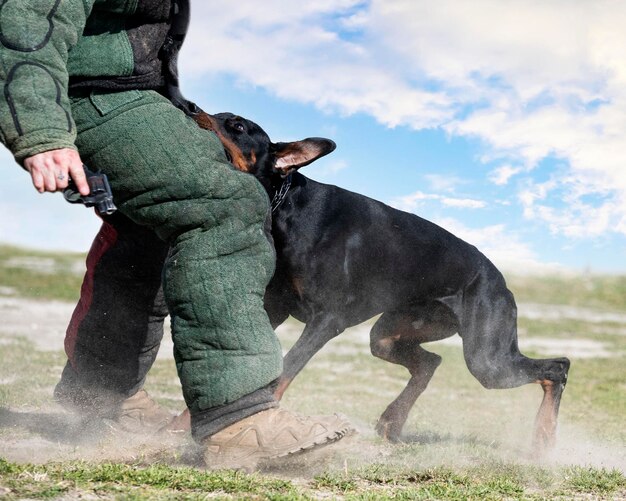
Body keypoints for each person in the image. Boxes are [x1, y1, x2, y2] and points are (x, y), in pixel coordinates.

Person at [0, 0, 353, 470]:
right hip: (87, 96)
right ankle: (236, 418)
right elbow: (27, 18)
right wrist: (43, 132)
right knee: (226, 204)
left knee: (146, 236)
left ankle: (103, 398)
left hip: (129, 96)